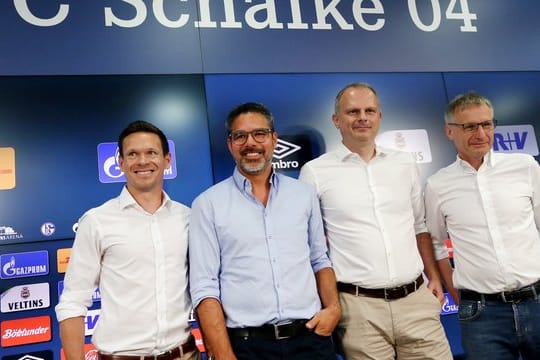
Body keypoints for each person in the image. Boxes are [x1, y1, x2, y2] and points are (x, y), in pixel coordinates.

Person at [299, 82, 452, 360]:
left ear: (379, 116)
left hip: (416, 300)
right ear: (336, 120)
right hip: (358, 309)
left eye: (370, 110)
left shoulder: (404, 163)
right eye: (352, 111)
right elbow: (311, 248)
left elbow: (420, 227)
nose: (362, 118)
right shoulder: (315, 172)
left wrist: (433, 277)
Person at [188, 102, 341, 360]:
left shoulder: (303, 194)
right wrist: (224, 355)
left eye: (259, 134)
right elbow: (205, 287)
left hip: (311, 339)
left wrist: (334, 308)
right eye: (240, 136)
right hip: (248, 347)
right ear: (230, 144)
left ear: (274, 139)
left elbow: (319, 259)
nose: (251, 143)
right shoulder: (208, 204)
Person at [55, 121, 198, 360]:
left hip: (185, 354)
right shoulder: (96, 221)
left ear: (167, 160)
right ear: (120, 163)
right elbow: (72, 302)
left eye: (151, 152)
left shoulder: (188, 217)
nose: (143, 161)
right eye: (133, 154)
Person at [424, 91, 540, 360]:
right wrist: (458, 294)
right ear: (449, 131)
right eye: (470, 126)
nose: (481, 133)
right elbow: (437, 245)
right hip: (481, 315)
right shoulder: (438, 185)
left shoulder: (524, 167)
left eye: (486, 124)